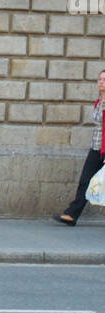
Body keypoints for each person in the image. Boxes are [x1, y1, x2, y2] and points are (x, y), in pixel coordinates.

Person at [54, 69, 105, 226]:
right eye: (100, 79)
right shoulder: (98, 102)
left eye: (104, 79)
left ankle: (72, 213)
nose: (101, 82)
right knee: (85, 181)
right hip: (95, 149)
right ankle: (72, 215)